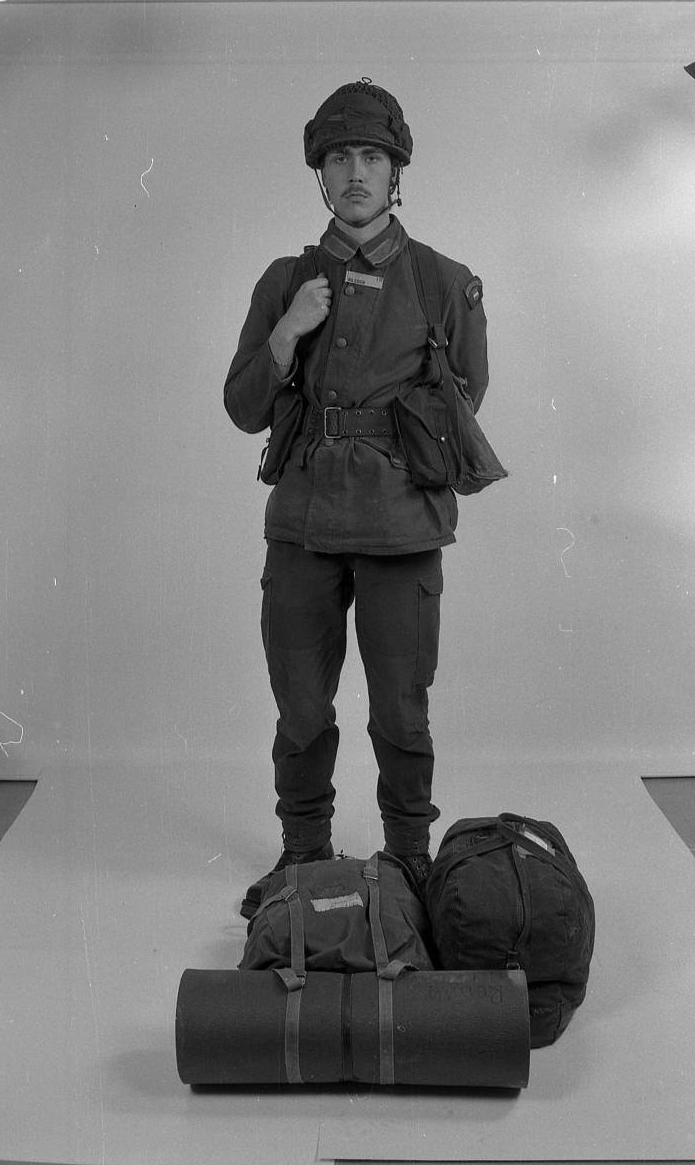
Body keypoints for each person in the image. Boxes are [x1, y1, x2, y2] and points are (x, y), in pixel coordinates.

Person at [224, 79, 490, 918]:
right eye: (338, 158)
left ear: (395, 171)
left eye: (371, 157)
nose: (354, 174)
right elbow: (242, 408)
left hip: (402, 523)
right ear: (321, 172)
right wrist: (286, 331)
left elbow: (465, 400)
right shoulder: (286, 280)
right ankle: (304, 854)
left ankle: (408, 861)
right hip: (302, 524)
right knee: (300, 708)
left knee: (401, 711)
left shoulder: (444, 281)